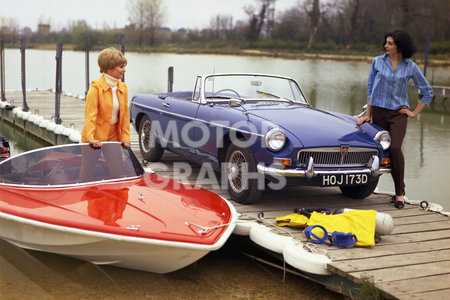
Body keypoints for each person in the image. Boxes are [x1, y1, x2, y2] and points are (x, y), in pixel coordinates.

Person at [357, 29, 433, 209]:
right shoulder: (377, 62)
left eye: (390, 43)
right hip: (378, 113)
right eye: (386, 42)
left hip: (398, 114)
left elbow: (427, 91)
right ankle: (365, 187)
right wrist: (368, 115)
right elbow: (370, 90)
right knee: (379, 151)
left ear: (400, 46)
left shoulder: (410, 66)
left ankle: (399, 193)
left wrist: (414, 112)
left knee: (395, 147)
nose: (386, 46)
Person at [80, 48, 130, 180]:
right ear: (109, 68)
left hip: (113, 136)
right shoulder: (95, 88)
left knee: (118, 174)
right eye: (121, 67)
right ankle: (84, 199)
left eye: (124, 66)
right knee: (86, 174)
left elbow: (125, 115)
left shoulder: (123, 88)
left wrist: (125, 137)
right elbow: (90, 115)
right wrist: (90, 137)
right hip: (94, 135)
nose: (124, 70)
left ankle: (119, 200)